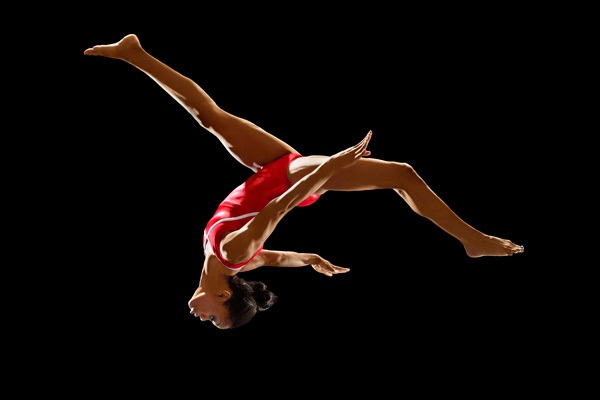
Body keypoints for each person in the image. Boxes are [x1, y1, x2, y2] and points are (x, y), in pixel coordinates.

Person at [84, 34, 524, 330]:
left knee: (210, 117)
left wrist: (311, 259)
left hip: (271, 170)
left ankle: (134, 53)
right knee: (401, 174)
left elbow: (279, 258)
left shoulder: (232, 262)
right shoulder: (233, 254)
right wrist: (327, 169)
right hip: (292, 179)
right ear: (223, 294)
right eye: (216, 318)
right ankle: (473, 241)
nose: (205, 320)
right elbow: (277, 209)